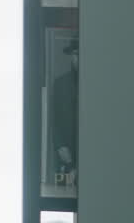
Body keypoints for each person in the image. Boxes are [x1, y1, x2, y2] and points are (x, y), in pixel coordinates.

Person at [51, 36, 79, 188]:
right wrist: (60, 146)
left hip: (93, 155)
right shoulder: (60, 84)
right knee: (63, 192)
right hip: (65, 155)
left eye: (81, 54)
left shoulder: (98, 85)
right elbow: (54, 119)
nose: (78, 59)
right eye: (75, 55)